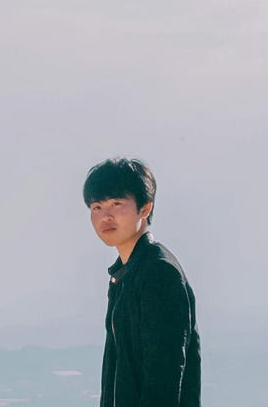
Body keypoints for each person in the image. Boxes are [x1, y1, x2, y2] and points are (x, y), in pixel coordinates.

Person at [86, 157, 200, 406]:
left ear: (145, 208)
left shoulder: (159, 273)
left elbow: (164, 379)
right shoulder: (125, 275)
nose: (105, 216)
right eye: (97, 207)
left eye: (116, 204)